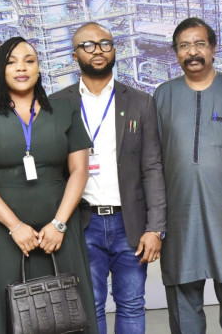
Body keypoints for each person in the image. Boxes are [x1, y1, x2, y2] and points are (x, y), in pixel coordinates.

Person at [0, 36, 98, 333]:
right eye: (11, 62)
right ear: (0, 69)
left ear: (38, 68)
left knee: (65, 314)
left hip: (58, 232)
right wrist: (15, 226)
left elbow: (79, 171)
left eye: (29, 60)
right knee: (8, 315)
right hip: (1, 233)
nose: (21, 67)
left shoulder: (63, 111)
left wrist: (59, 224)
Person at [51, 22, 166, 334]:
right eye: (88, 45)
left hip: (129, 224)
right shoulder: (57, 105)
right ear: (75, 55)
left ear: (115, 50)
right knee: (90, 305)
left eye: (105, 43)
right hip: (81, 224)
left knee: (131, 304)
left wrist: (156, 228)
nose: (97, 50)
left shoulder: (141, 102)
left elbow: (152, 167)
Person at [153, 17, 222, 334]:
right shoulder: (163, 96)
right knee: (184, 312)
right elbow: (152, 161)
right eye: (184, 45)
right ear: (175, 53)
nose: (192, 52)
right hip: (180, 217)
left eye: (199, 44)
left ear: (212, 48)